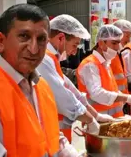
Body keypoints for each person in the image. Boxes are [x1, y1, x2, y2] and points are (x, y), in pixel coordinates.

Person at [0, 4, 84, 157]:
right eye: (24, 36)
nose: (33, 49)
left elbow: (51, 136)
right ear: (0, 40)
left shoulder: (42, 86)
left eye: (41, 39)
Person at [37, 14, 114, 143]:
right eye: (74, 45)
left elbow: (73, 92)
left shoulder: (51, 60)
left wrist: (96, 115)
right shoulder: (44, 60)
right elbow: (63, 98)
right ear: (61, 38)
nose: (74, 52)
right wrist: (90, 120)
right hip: (47, 138)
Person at [76, 25, 131, 118]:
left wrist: (127, 98)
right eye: (114, 43)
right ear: (101, 43)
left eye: (118, 43)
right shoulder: (90, 65)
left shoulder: (105, 64)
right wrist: (127, 97)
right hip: (99, 121)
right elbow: (97, 93)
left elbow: (112, 90)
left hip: (112, 119)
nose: (117, 48)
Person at [112, 19, 131, 114]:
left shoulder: (119, 54)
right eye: (127, 36)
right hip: (112, 103)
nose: (128, 40)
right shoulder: (109, 56)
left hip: (121, 101)